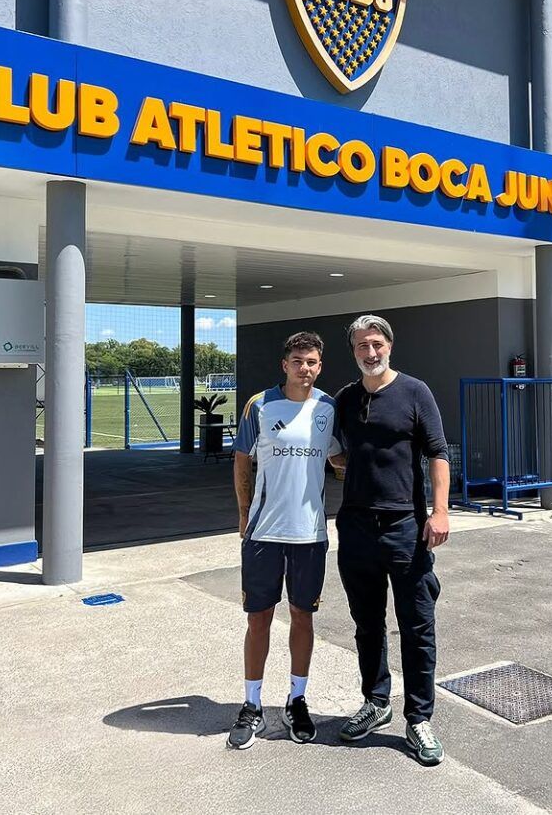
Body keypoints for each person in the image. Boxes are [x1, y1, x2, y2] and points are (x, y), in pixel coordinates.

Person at [332, 314, 450, 766]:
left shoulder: (415, 392)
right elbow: (331, 446)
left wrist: (440, 512)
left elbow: (438, 452)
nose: (370, 352)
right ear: (355, 351)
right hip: (357, 527)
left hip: (407, 528)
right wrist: (348, 467)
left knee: (417, 626)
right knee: (367, 624)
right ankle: (376, 700)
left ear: (389, 346)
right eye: (362, 345)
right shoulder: (345, 398)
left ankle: (419, 718)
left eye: (376, 343)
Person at [226, 331, 341, 750]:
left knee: (302, 617)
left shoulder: (328, 407)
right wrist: (243, 515)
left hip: (309, 534)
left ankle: (297, 700)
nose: (305, 368)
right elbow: (242, 460)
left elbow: (338, 458)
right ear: (285, 364)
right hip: (263, 533)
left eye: (312, 361)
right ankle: (252, 704)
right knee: (259, 619)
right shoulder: (260, 405)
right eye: (297, 361)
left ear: (320, 365)